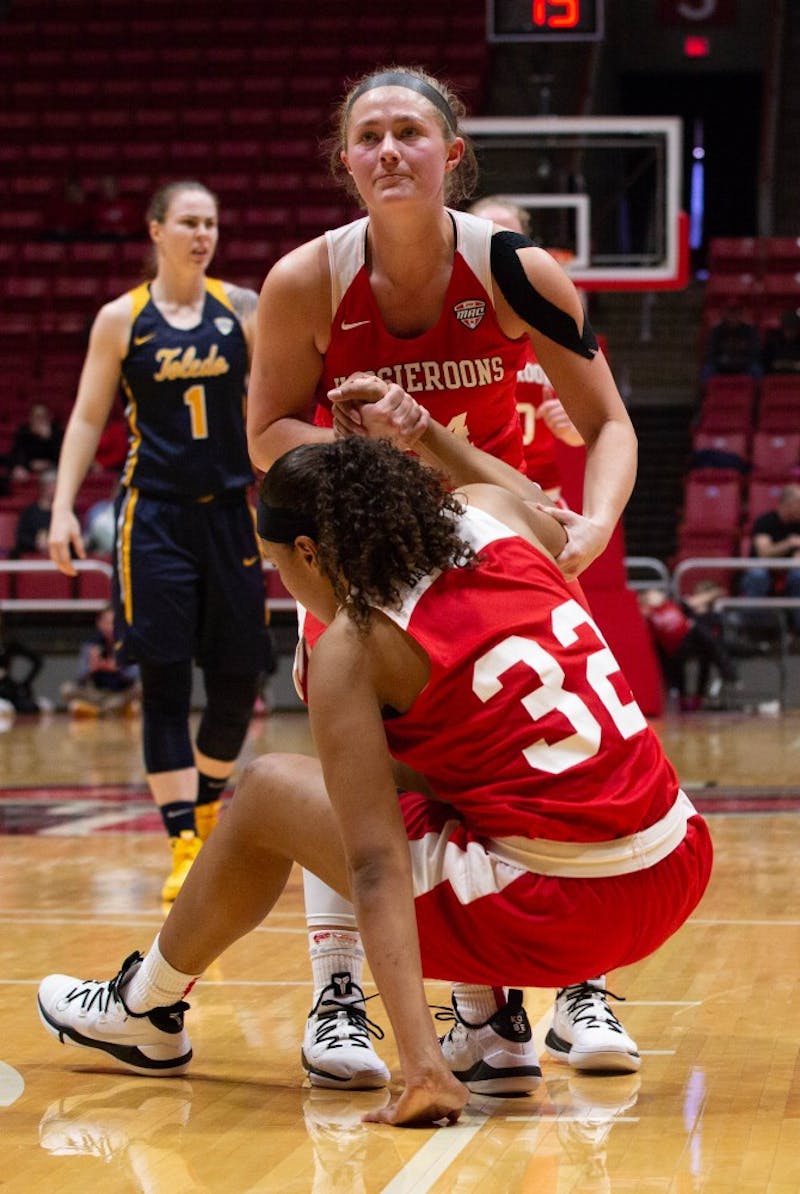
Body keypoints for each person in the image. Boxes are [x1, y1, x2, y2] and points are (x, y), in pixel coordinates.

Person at [38, 401, 713, 1128]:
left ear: (308, 553)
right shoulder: (495, 515)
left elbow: (375, 868)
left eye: (277, 569)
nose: (284, 587)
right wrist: (427, 435)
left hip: (556, 912)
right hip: (677, 860)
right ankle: (488, 1029)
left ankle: (148, 1005)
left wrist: (419, 1071)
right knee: (422, 766)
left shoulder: (355, 647)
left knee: (269, 788)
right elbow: (535, 501)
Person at [244, 65, 641, 1089]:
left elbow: (604, 424)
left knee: (517, 762)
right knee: (356, 774)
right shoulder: (304, 281)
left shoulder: (516, 270)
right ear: (344, 162)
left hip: (490, 551)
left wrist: (595, 519)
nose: (387, 150)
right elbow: (265, 434)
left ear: (449, 154)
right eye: (366, 135)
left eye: (408, 133)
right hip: (369, 555)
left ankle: (526, 994)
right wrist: (358, 450)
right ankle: (340, 993)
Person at [47, 180, 269, 903]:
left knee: (240, 681)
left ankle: (205, 803)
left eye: (211, 223)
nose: (202, 234)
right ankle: (182, 839)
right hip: (154, 517)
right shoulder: (122, 319)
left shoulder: (244, 310)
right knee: (164, 682)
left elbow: (278, 401)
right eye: (189, 222)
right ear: (156, 231)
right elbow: (85, 419)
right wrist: (59, 511)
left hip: (231, 512)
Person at [468, 195, 584, 501]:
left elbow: (592, 427)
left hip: (540, 496)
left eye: (509, 238)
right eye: (488, 236)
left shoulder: (551, 324)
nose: (500, 249)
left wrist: (574, 429)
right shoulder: (449, 315)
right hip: (472, 495)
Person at [639, 582, 739, 710]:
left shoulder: (673, 604)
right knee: (691, 646)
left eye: (655, 592)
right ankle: (684, 699)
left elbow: (698, 601)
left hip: (690, 639)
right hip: (674, 648)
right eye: (649, 593)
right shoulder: (648, 614)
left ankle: (722, 674)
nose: (655, 595)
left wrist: (715, 592)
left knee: (701, 636)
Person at [738, 483, 800, 636]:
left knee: (799, 576)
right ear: (789, 505)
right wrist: (788, 543)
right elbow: (764, 552)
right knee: (757, 576)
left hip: (790, 573)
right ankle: (754, 633)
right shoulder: (765, 521)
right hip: (763, 570)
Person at [61, 604, 141, 717]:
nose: (110, 627)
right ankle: (113, 709)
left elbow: (135, 675)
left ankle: (98, 711)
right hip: (98, 693)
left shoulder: (128, 645)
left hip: (121, 692)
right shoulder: (91, 645)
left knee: (141, 688)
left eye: (114, 623)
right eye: (107, 623)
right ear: (99, 624)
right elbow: (79, 676)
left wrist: (118, 669)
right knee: (67, 689)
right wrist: (92, 668)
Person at [702, 301, 762, 379]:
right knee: (707, 370)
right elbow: (711, 353)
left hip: (744, 365)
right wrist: (722, 362)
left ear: (740, 315)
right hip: (721, 365)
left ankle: (757, 391)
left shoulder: (750, 331)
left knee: (756, 369)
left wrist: (741, 362)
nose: (733, 316)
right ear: (724, 314)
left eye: (736, 313)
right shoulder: (716, 331)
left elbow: (755, 352)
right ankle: (706, 390)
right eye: (730, 312)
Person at [8, 403, 63, 482]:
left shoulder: (56, 432)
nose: (39, 420)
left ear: (49, 417)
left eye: (43, 417)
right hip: (28, 467)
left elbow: (61, 457)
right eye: (36, 416)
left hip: (52, 468)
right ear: (31, 418)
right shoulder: (24, 432)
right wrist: (22, 466)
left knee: (50, 477)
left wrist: (48, 438)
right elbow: (17, 453)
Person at [13, 469, 56, 557]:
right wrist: (36, 544)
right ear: (44, 487)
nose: (57, 489)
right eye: (53, 485)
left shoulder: (65, 513)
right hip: (31, 557)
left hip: (59, 556)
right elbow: (21, 536)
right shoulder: (29, 513)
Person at [762, 309, 800, 374]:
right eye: (787, 329)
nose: (790, 333)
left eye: (793, 329)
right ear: (782, 328)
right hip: (775, 379)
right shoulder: (773, 341)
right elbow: (765, 362)